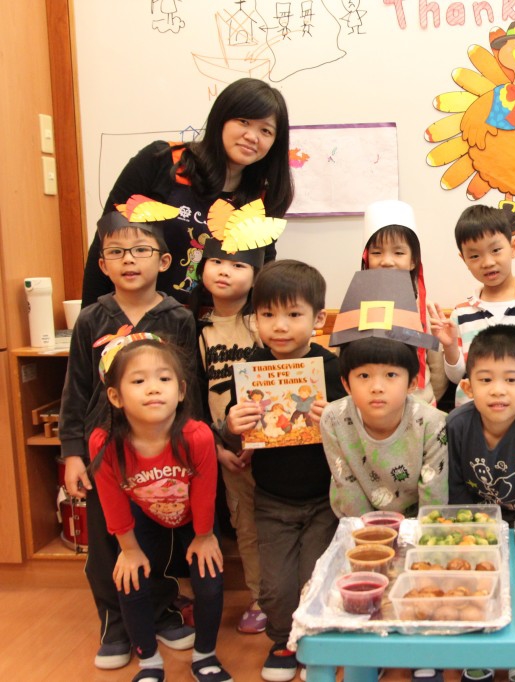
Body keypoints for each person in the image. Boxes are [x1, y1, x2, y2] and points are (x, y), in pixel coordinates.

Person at [60, 207, 199, 670]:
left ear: (163, 260)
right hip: (105, 452)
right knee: (108, 541)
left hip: (163, 448)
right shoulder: (91, 319)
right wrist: (73, 453)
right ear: (103, 265)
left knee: (158, 534)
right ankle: (116, 623)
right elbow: (76, 389)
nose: (129, 260)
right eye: (116, 253)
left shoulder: (177, 317)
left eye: (140, 250)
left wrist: (194, 445)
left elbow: (191, 388)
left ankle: (159, 611)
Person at [224, 260, 345, 682]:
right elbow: (237, 428)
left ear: (318, 319)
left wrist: (334, 418)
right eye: (267, 314)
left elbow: (355, 430)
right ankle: (281, 640)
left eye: (294, 314)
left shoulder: (332, 368)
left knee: (315, 577)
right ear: (254, 319)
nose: (280, 325)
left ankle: (313, 641)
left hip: (324, 500)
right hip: (272, 500)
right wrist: (232, 424)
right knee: (274, 587)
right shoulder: (251, 367)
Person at [91, 338, 232, 682]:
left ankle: (205, 655)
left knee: (209, 580)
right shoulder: (104, 442)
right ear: (116, 396)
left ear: (181, 390)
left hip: (195, 519)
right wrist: (128, 549)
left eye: (164, 379)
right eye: (139, 381)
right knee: (130, 578)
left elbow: (205, 492)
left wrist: (204, 536)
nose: (153, 388)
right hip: (144, 514)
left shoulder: (197, 436)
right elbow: (111, 499)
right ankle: (149, 662)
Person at [83, 77, 293, 307]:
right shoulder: (161, 161)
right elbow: (107, 242)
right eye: (243, 121)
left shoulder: (261, 198)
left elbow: (261, 273)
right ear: (221, 118)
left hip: (214, 323)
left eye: (266, 130)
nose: (252, 136)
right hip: (141, 318)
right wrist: (91, 317)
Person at [190, 234, 267, 635]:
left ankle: (285, 593)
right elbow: (193, 398)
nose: (225, 271)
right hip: (225, 449)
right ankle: (258, 597)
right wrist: (217, 447)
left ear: (255, 276)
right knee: (246, 527)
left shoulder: (261, 324)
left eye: (238, 265)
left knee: (276, 523)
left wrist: (259, 441)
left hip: (270, 446)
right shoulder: (197, 330)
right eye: (217, 262)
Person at [427, 205, 515, 417]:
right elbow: (458, 377)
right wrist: (450, 346)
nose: (488, 262)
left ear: (513, 247)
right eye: (475, 256)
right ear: (464, 259)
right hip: (473, 422)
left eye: (496, 250)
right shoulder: (461, 313)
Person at [321, 337, 448, 516]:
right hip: (357, 520)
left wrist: (422, 529)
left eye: (391, 375)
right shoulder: (333, 418)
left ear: (412, 383)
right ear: (346, 384)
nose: (377, 388)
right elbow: (346, 484)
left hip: (416, 521)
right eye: (364, 376)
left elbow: (434, 495)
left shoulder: (433, 422)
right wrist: (369, 530)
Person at [447, 324, 515, 522]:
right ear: (468, 388)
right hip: (472, 526)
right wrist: (470, 527)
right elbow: (454, 487)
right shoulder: (456, 426)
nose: (497, 390)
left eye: (511, 380)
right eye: (486, 379)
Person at [360, 199, 448, 405]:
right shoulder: (357, 307)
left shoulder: (425, 309)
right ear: (366, 258)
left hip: (420, 405)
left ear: (413, 260)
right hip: (371, 406)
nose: (386, 261)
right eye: (376, 252)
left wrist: (425, 399)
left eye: (398, 253)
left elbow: (437, 367)